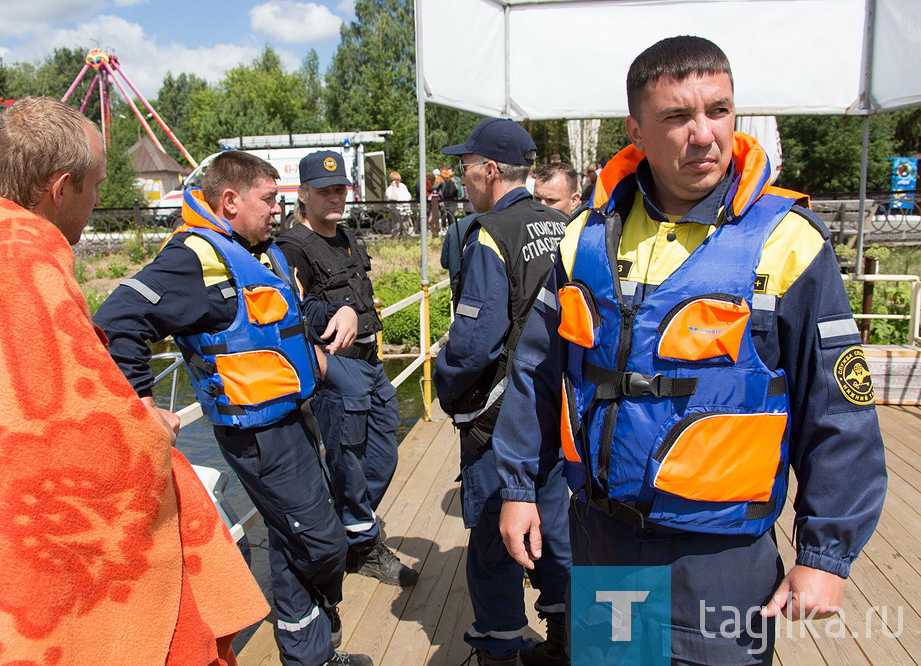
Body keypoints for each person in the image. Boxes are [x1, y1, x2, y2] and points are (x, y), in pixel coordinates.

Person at [496, 36, 887, 664]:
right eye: (677, 116)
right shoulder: (584, 240)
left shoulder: (789, 244)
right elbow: (537, 372)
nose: (703, 135)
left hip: (722, 555)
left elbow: (838, 408)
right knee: (616, 661)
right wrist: (518, 486)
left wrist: (825, 556)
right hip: (609, 540)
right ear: (637, 129)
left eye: (719, 111)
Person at [0, 96, 268, 665]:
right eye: (97, 185)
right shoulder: (27, 273)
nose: (100, 198)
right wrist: (149, 425)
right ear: (59, 189)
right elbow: (79, 442)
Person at [93, 151, 371, 666]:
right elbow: (116, 321)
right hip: (257, 434)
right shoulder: (194, 260)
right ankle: (321, 618)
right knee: (323, 542)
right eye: (268, 200)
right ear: (229, 201)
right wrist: (143, 403)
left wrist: (341, 312)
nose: (277, 210)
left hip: (293, 415)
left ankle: (310, 655)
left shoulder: (260, 250)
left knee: (295, 536)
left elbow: (291, 312)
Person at [433, 118, 571, 666]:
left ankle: (499, 647)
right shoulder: (562, 225)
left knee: (495, 541)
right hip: (557, 413)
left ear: (490, 170)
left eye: (465, 167)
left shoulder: (489, 233)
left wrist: (449, 390)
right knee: (554, 528)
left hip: (500, 418)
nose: (460, 177)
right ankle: (564, 637)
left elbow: (472, 345)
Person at [276, 151, 420, 588]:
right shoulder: (292, 248)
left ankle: (348, 532)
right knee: (349, 463)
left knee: (382, 453)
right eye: (325, 190)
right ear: (303, 194)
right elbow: (289, 313)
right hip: (338, 369)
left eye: (341, 189)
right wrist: (322, 363)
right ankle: (363, 545)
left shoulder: (347, 238)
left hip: (370, 362)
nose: (336, 197)